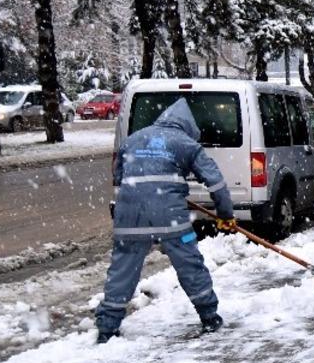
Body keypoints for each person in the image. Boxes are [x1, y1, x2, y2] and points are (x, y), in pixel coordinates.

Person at [96, 98, 235, 343]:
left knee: (122, 269)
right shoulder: (187, 144)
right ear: (188, 127)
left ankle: (107, 327)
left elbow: (118, 177)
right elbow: (217, 184)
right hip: (170, 216)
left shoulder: (134, 138)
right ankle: (210, 317)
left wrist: (148, 185)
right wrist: (225, 215)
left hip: (129, 215)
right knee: (189, 263)